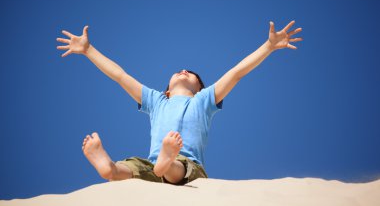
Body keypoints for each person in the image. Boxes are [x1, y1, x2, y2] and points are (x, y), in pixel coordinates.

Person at [56, 20, 303, 185]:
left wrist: (268, 47)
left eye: (191, 73)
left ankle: (166, 162)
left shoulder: (204, 101)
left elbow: (237, 72)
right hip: (153, 165)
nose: (184, 70)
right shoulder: (156, 100)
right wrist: (89, 50)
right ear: (166, 89)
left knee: (178, 167)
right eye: (179, 70)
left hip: (187, 168)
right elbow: (120, 76)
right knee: (130, 168)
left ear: (200, 88)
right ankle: (108, 167)